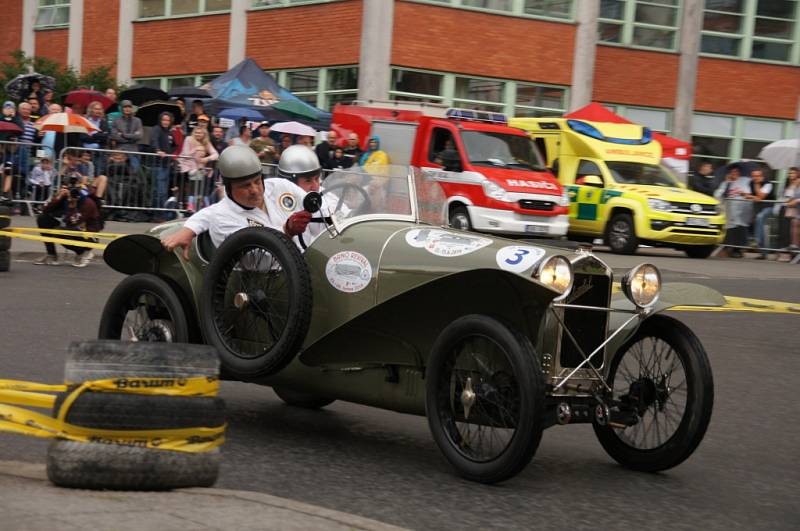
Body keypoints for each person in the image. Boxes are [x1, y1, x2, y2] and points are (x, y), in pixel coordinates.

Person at [160, 145, 312, 258]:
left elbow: (321, 209)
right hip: (267, 286)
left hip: (309, 262)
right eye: (245, 185)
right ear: (229, 187)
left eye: (257, 181)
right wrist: (287, 231)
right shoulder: (222, 219)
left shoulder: (280, 186)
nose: (254, 190)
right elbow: (256, 260)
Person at [33, 178, 102, 267]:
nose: (70, 193)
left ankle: (84, 252)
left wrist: (72, 206)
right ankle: (51, 255)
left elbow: (73, 222)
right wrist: (58, 197)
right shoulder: (65, 197)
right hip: (71, 228)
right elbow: (45, 210)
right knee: (43, 219)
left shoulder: (88, 202)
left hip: (89, 234)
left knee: (59, 231)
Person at [714, 163, 752, 258]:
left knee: (740, 229)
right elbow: (718, 195)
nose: (734, 173)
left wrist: (744, 193)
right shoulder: (726, 183)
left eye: (736, 171)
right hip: (729, 210)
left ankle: (738, 249)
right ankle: (727, 248)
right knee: (729, 230)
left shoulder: (746, 181)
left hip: (743, 210)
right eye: (732, 172)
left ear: (739, 172)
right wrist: (727, 183)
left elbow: (751, 193)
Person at [178, 126, 218, 211]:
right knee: (192, 187)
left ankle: (206, 207)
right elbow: (185, 154)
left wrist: (206, 159)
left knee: (203, 189)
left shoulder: (206, 142)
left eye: (200, 133)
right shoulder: (188, 139)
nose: (198, 134)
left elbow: (215, 154)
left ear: (204, 134)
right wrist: (196, 150)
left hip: (200, 168)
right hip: (187, 167)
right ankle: (190, 205)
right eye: (196, 132)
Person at [150, 111, 178, 215]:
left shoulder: (169, 132)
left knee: (163, 190)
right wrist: (158, 150)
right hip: (158, 163)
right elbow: (154, 141)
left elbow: (175, 144)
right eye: (164, 120)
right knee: (159, 190)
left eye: (168, 120)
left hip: (166, 164)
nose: (165, 122)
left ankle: (161, 212)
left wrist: (170, 153)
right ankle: (157, 213)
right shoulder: (156, 129)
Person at [747, 168, 775, 259]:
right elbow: (751, 196)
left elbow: (760, 197)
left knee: (760, 217)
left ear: (762, 176)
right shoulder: (751, 183)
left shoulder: (768, 184)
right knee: (758, 224)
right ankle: (763, 253)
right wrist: (751, 196)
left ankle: (756, 241)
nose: (755, 178)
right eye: (753, 176)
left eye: (757, 176)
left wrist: (757, 186)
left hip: (769, 207)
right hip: (758, 207)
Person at [111, 100, 143, 172]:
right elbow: (114, 136)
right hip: (120, 151)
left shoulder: (137, 121)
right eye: (125, 107)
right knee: (119, 172)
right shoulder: (116, 121)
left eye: (129, 107)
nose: (127, 109)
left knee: (134, 172)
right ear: (122, 108)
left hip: (133, 151)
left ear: (131, 108)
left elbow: (139, 136)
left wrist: (123, 135)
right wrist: (132, 136)